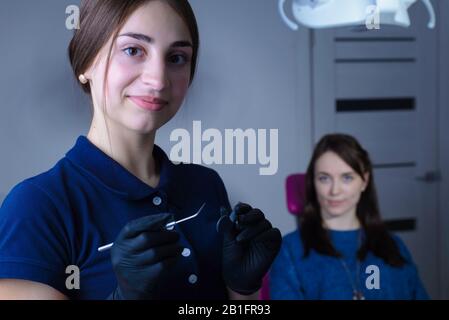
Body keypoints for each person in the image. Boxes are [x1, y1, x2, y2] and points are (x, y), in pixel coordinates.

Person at [0, 0, 281, 300]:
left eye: (176, 57)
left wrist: (243, 290)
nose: (158, 80)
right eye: (133, 50)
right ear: (85, 64)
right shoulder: (37, 207)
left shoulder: (205, 186)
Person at [269, 133, 428, 300]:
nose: (335, 191)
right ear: (313, 182)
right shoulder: (290, 250)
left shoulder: (394, 245)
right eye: (324, 178)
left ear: (364, 181)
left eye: (347, 177)